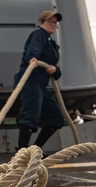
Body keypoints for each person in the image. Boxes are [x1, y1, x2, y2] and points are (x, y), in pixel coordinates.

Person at [14, 10, 65, 150]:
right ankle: (21, 153)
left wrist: (55, 70)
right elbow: (33, 49)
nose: (53, 24)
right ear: (41, 23)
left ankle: (34, 150)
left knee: (56, 118)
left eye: (55, 22)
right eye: (49, 22)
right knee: (30, 116)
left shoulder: (50, 41)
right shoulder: (38, 35)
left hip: (41, 85)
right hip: (30, 82)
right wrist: (33, 58)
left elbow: (54, 67)